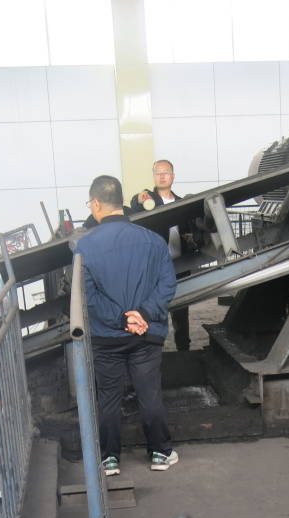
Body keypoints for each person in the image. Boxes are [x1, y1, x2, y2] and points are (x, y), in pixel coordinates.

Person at [77, 174, 179, 475]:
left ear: (97, 204)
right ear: (121, 201)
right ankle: (160, 453)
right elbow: (167, 284)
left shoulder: (84, 247)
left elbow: (87, 296)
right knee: (150, 394)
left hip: (106, 337)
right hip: (147, 333)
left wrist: (121, 319)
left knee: (108, 398)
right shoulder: (153, 240)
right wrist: (143, 314)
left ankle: (109, 459)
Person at [130, 159, 192, 352]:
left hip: (180, 265)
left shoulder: (182, 202)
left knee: (181, 312)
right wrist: (140, 199)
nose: (162, 176)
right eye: (158, 173)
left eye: (166, 172)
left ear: (173, 176)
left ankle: (184, 350)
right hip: (155, 268)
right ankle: (155, 352)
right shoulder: (147, 199)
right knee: (156, 310)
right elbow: (134, 204)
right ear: (154, 176)